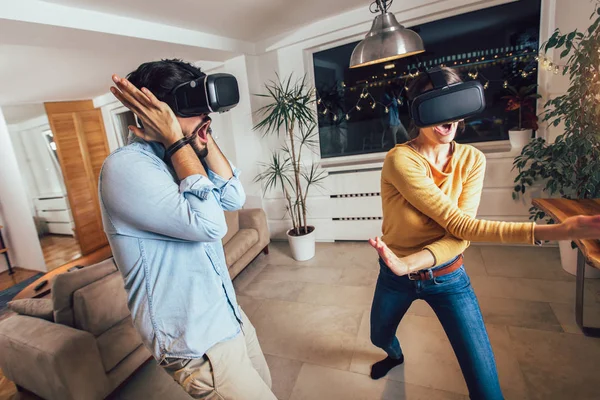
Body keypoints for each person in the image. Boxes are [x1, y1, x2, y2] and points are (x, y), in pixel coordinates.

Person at [367, 67, 600, 400]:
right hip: (395, 276)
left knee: (487, 391)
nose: (447, 117)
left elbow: (461, 233)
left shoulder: (473, 159)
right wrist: (402, 269)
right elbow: (460, 225)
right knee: (379, 336)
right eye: (437, 104)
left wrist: (412, 262)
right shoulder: (401, 160)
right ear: (420, 109)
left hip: (448, 277)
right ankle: (395, 355)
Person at [99, 59, 277, 400]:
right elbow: (211, 225)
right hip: (197, 344)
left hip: (227, 317)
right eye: (195, 111)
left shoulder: (179, 157)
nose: (206, 118)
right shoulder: (126, 168)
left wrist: (199, 139)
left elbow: (233, 196)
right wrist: (177, 141)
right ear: (156, 112)